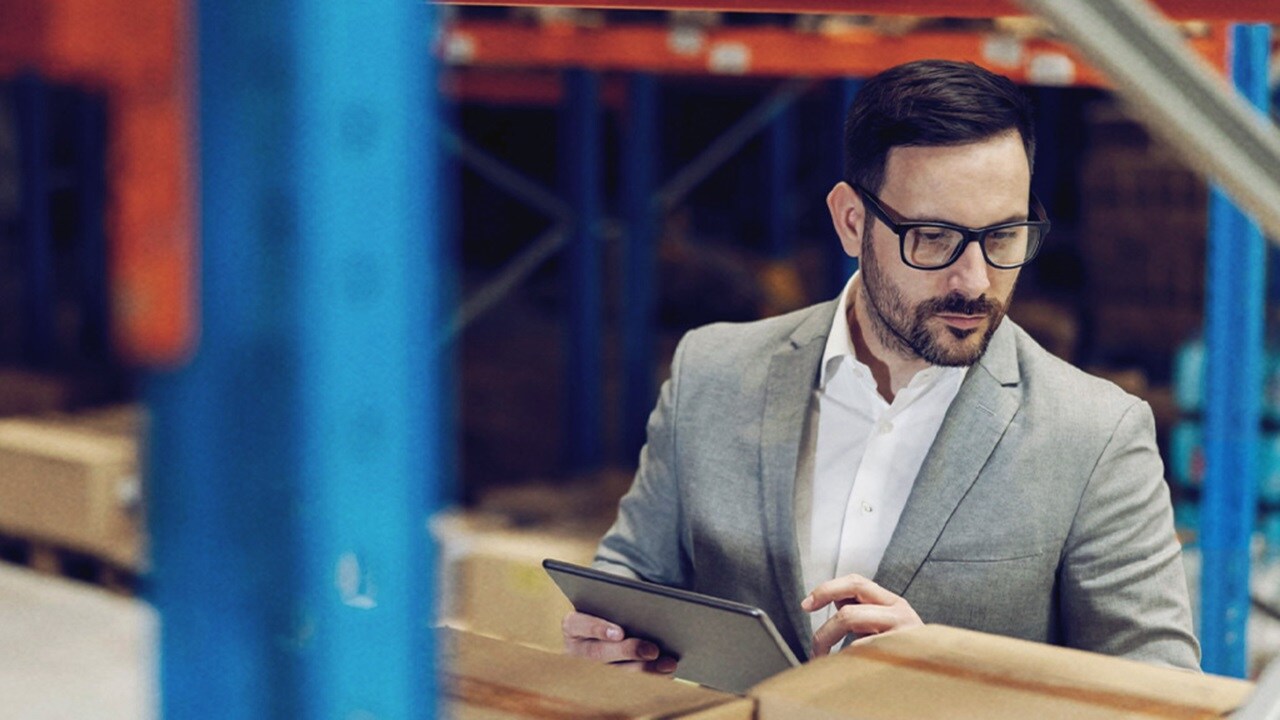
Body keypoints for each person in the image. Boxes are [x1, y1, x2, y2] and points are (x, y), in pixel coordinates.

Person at [562, 59, 1200, 674]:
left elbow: (1162, 691)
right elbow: (633, 570)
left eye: (1003, 237)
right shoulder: (711, 371)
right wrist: (609, 632)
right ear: (851, 222)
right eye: (933, 238)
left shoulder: (1097, 433)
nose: (975, 280)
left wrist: (950, 680)